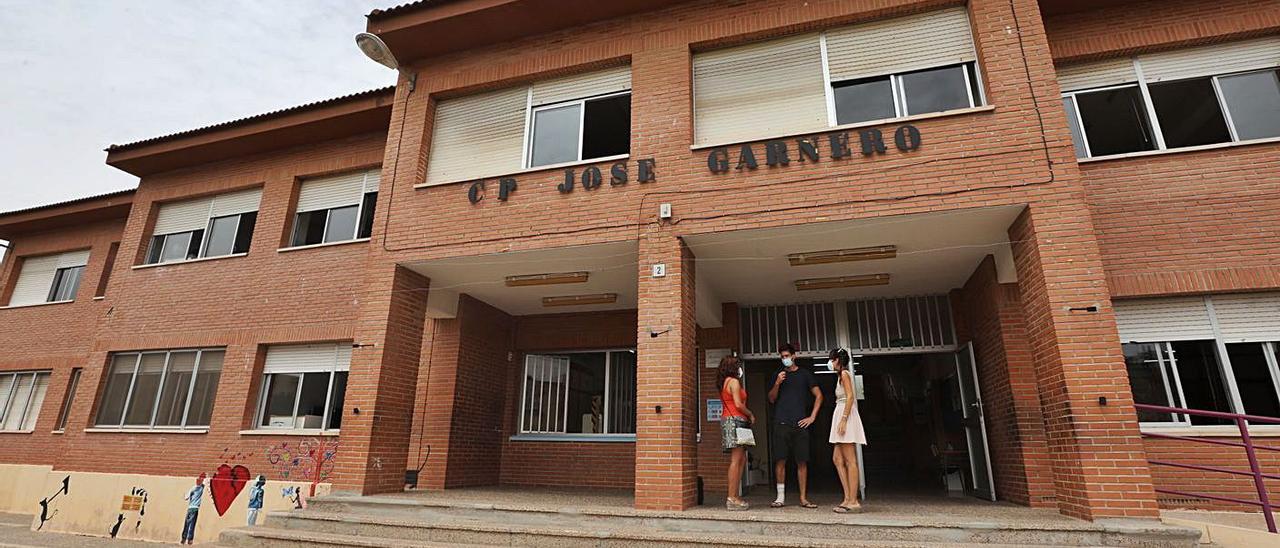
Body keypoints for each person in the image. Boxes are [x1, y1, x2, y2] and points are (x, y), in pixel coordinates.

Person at [768, 343, 823, 508]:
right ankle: (780, 497)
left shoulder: (805, 374)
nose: (784, 359)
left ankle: (803, 498)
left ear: (794, 356)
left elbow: (819, 395)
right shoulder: (778, 375)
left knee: (802, 461)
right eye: (782, 357)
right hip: (781, 423)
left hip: (800, 424)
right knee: (780, 460)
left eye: (787, 356)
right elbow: (771, 399)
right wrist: (777, 383)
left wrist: (812, 417)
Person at [827, 347, 868, 513]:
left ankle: (853, 500)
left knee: (850, 459)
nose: (830, 362)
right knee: (837, 458)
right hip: (841, 412)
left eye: (832, 359)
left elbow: (850, 396)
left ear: (838, 359)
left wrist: (844, 419)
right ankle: (847, 497)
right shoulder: (840, 376)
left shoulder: (844, 374)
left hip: (845, 414)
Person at [718, 354, 755, 511]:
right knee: (736, 459)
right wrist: (751, 414)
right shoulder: (733, 381)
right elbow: (739, 405)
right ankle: (732, 497)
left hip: (730, 420)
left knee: (741, 459)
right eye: (738, 365)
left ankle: (734, 496)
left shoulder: (724, 382)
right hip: (736, 421)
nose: (740, 368)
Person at [181, 473, 206, 545]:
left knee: (187, 523)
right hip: (195, 509)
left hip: (190, 508)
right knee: (192, 524)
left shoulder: (193, 488)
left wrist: (184, 495)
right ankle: (190, 539)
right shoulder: (201, 488)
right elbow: (205, 481)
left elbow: (186, 497)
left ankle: (183, 538)